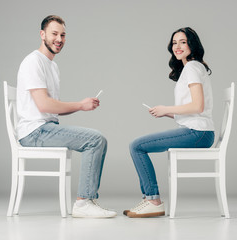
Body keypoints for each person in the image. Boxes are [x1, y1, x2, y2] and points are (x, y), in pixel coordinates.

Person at [16, 15, 116, 218]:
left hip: (46, 128)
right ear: (42, 34)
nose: (59, 39)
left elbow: (52, 109)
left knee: (99, 140)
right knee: (95, 139)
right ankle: (83, 203)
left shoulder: (52, 66)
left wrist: (82, 106)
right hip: (34, 132)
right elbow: (44, 105)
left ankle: (87, 199)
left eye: (63, 35)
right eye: (54, 34)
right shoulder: (33, 61)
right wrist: (80, 104)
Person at [124, 27, 215, 218]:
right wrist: (167, 114)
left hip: (198, 133)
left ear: (192, 44)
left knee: (137, 145)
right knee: (138, 146)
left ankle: (153, 201)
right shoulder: (193, 67)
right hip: (199, 132)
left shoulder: (191, 68)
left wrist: (167, 108)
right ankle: (150, 199)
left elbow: (198, 106)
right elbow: (195, 111)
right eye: (175, 43)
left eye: (183, 42)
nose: (178, 46)